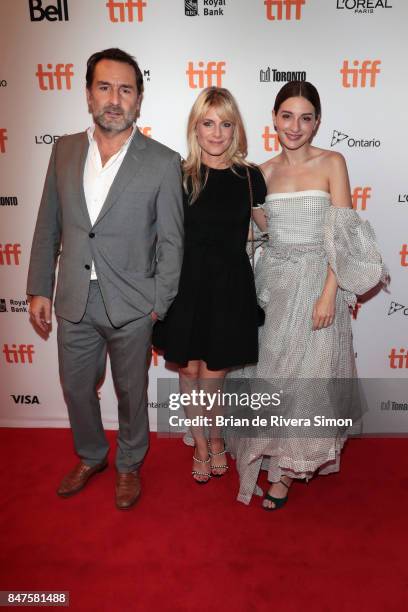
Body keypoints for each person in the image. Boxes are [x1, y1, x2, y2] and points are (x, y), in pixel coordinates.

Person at [27, 48, 183, 509]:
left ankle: (130, 464)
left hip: (134, 303)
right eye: (105, 87)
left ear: (138, 99)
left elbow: (173, 242)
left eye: (125, 89)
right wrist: (39, 286)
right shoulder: (65, 149)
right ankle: (92, 453)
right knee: (76, 388)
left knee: (131, 393)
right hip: (73, 297)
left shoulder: (161, 160)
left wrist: (160, 301)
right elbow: (47, 223)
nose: (114, 99)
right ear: (88, 94)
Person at [228, 81, 385, 508]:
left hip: (320, 281)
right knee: (277, 378)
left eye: (306, 117)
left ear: (317, 122)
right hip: (275, 286)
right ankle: (274, 453)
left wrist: (329, 293)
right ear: (274, 119)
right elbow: (262, 230)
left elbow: (343, 232)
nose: (295, 126)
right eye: (286, 116)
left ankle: (286, 474)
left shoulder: (333, 162)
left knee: (309, 382)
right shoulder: (261, 173)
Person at [153, 87, 266, 483]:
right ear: (195, 128)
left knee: (214, 376)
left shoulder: (251, 177)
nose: (217, 133)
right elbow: (161, 236)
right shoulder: (179, 176)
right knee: (189, 371)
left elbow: (272, 229)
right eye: (208, 123)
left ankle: (216, 438)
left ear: (236, 129)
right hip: (185, 287)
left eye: (226, 124)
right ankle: (201, 445)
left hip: (229, 289)